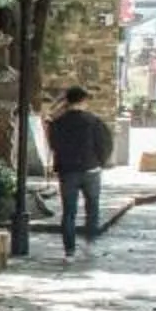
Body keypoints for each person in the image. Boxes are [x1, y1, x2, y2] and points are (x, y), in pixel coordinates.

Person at [45, 86, 113, 257]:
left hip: (68, 171)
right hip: (91, 169)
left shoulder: (58, 123)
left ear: (67, 101)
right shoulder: (94, 121)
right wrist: (100, 162)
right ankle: (90, 242)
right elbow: (105, 144)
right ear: (84, 101)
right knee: (92, 207)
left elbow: (53, 145)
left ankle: (69, 250)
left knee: (69, 211)